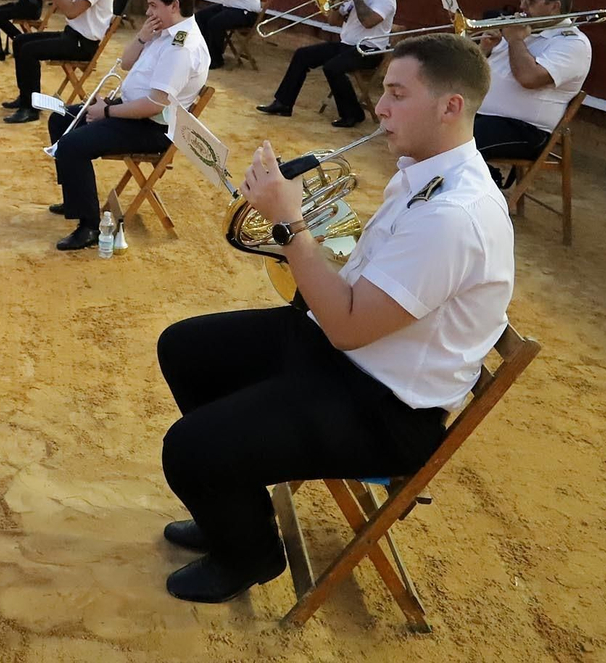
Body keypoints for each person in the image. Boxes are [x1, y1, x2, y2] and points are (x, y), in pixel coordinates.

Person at [156, 32, 512, 603]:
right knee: (185, 348)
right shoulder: (426, 171)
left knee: (188, 449)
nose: (380, 106)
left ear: (451, 107)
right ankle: (230, 501)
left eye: (397, 94)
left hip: (384, 406)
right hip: (346, 354)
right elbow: (359, 274)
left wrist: (292, 226)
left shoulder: (455, 213)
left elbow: (347, 325)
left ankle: (249, 552)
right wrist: (293, 231)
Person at [46, 0, 209, 250]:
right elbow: (126, 63)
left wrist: (107, 113)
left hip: (153, 127)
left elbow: (154, 105)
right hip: (135, 113)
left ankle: (89, 228)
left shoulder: (182, 46)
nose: (148, 11)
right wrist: (143, 37)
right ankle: (75, 197)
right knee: (60, 118)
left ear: (175, 5)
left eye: (154, 5)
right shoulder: (165, 30)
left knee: (72, 145)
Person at [256, 0, 397, 128]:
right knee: (302, 55)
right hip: (347, 45)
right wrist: (337, 4)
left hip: (369, 50)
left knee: (333, 67)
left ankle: (353, 114)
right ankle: (283, 103)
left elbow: (369, 22)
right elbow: (333, 21)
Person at [473, 0, 592, 173]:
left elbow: (529, 79)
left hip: (526, 129)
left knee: (455, 146)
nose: (522, 6)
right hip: (483, 115)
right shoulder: (522, 31)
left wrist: (515, 41)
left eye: (531, 0)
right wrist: (484, 50)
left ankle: (480, 189)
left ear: (554, 6)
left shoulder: (572, 43)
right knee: (433, 127)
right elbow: (474, 75)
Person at [3, 0, 116, 124]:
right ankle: (26, 96)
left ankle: (30, 108)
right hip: (71, 35)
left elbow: (72, 10)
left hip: (82, 44)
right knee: (21, 41)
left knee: (29, 51)